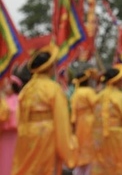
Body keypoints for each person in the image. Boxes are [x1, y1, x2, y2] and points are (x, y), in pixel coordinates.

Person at [12, 44, 77, 174]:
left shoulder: (26, 90)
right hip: (46, 135)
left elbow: (19, 118)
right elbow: (61, 121)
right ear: (49, 68)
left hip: (26, 136)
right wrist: (69, 149)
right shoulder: (53, 88)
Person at [91, 64, 122, 175]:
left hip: (99, 138)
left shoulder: (97, 97)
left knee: (101, 166)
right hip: (117, 139)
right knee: (117, 166)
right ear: (118, 80)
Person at [70, 69, 98, 175]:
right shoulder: (89, 92)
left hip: (79, 123)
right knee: (90, 146)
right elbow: (96, 106)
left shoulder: (75, 94)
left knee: (80, 147)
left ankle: (80, 171)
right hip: (90, 122)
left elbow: (73, 115)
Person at [0, 76, 21, 175]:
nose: (5, 86)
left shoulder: (17, 99)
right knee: (4, 158)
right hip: (4, 135)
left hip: (14, 134)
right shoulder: (4, 98)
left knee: (12, 158)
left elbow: (8, 113)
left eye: (8, 84)